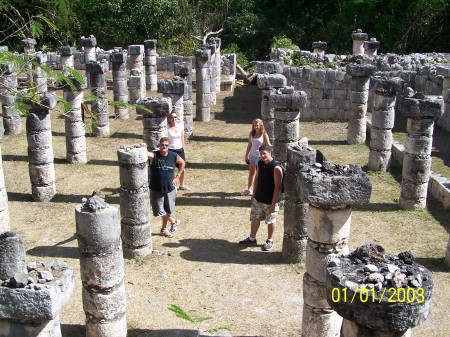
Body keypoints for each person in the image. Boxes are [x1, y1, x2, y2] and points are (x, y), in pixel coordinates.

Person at [239, 144, 283, 251]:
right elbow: (257, 178)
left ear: (270, 153)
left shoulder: (276, 167)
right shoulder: (260, 163)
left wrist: (273, 204)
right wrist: (254, 194)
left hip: (270, 201)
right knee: (255, 218)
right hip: (259, 198)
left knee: (271, 221)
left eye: (265, 153)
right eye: (261, 154)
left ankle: (269, 240)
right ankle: (252, 238)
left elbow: (278, 187)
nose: (262, 156)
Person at [146, 137, 185, 238]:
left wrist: (177, 177)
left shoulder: (173, 155)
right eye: (162, 145)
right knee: (159, 210)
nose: (164, 147)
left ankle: (163, 229)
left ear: (169, 146)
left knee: (167, 211)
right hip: (156, 189)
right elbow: (147, 154)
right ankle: (174, 221)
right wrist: (143, 147)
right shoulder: (155, 155)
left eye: (166, 145)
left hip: (169, 188)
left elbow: (182, 163)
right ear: (160, 145)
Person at [242, 118, 272, 196]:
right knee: (251, 173)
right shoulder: (251, 133)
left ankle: (257, 190)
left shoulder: (264, 134)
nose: (256, 127)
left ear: (261, 125)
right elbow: (249, 144)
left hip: (260, 157)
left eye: (257, 125)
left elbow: (268, 145)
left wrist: (274, 147)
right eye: (254, 125)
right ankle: (249, 189)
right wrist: (246, 156)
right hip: (252, 156)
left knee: (259, 174)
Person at [167, 111, 190, 190]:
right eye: (172, 117)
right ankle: (174, 185)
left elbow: (182, 139)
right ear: (169, 118)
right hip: (171, 150)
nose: (174, 119)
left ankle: (181, 185)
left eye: (175, 117)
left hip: (179, 150)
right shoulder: (167, 128)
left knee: (182, 169)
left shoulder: (180, 127)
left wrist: (183, 149)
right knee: (171, 168)